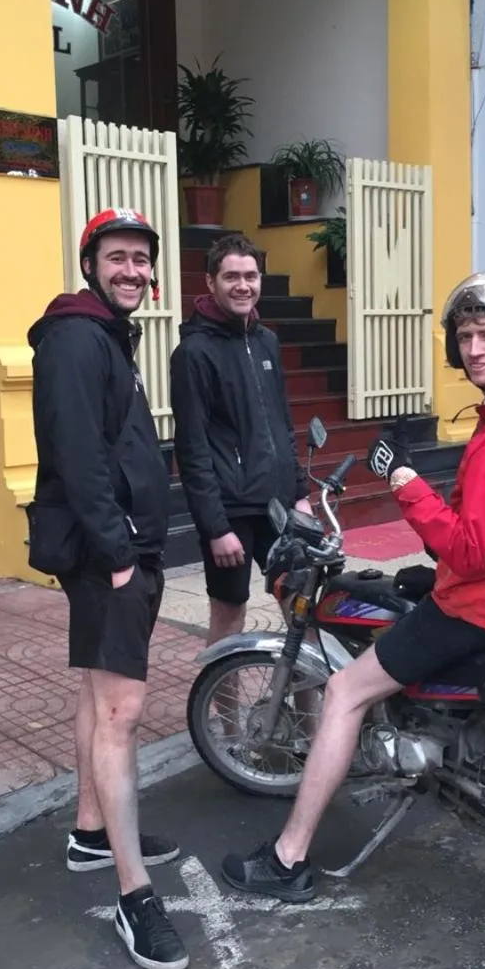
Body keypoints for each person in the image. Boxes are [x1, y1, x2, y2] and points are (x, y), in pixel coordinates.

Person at [220, 271, 485, 902]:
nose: (475, 348)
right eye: (466, 336)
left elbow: (469, 549)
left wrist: (403, 481)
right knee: (412, 590)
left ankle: (287, 861)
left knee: (344, 691)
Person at [28, 206, 188, 969]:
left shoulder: (102, 334)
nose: (132, 270)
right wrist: (120, 554)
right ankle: (134, 894)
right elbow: (77, 453)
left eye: (140, 260)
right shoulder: (74, 337)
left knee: (98, 694)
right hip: (107, 556)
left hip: (115, 550)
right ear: (91, 262)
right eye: (118, 257)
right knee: (121, 712)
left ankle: (91, 831)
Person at [170, 233, 314, 666]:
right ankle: (225, 723)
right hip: (231, 512)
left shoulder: (266, 340)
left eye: (250, 276)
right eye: (231, 276)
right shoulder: (193, 353)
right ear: (210, 281)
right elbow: (192, 448)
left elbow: (283, 422)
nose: (242, 285)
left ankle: (310, 710)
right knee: (229, 616)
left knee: (300, 609)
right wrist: (215, 527)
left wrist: (300, 492)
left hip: (280, 505)